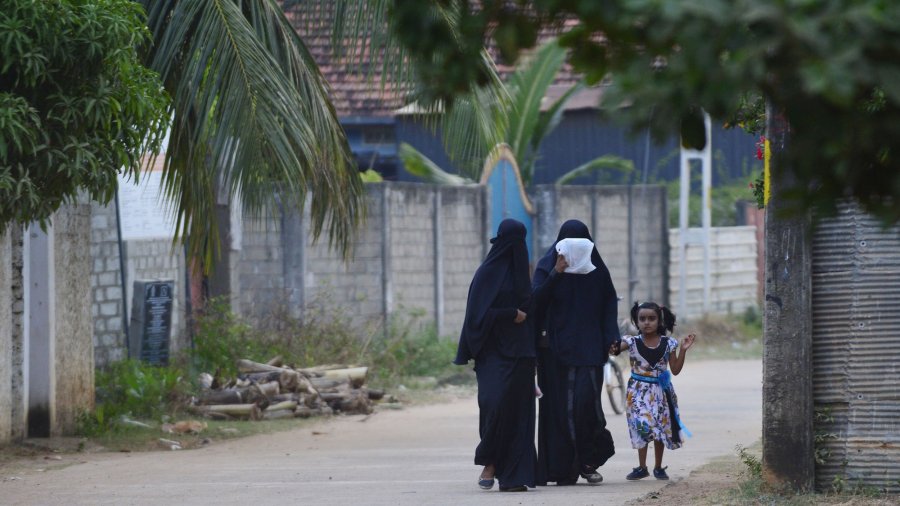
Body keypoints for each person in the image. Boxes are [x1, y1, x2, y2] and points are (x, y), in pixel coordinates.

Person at [532, 219, 618, 486]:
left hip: (590, 351)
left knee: (586, 407)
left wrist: (611, 338)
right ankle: (559, 469)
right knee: (558, 411)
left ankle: (588, 461)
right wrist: (557, 273)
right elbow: (535, 302)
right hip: (555, 353)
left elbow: (608, 306)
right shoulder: (547, 266)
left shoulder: (597, 271)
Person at [454, 218, 536, 492]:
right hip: (492, 354)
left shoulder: (524, 274)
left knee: (519, 413)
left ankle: (513, 475)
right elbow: (476, 317)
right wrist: (509, 314)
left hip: (521, 353)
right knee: (494, 404)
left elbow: (533, 308)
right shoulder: (486, 274)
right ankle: (490, 461)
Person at [608, 301, 696, 481]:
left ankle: (657, 467)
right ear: (636, 322)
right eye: (642, 319)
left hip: (662, 392)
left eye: (651, 318)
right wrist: (611, 341)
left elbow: (676, 369)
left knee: (660, 429)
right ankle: (641, 467)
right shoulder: (630, 342)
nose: (647, 322)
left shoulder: (670, 343)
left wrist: (683, 351)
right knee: (642, 426)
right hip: (638, 392)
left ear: (659, 321)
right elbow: (614, 350)